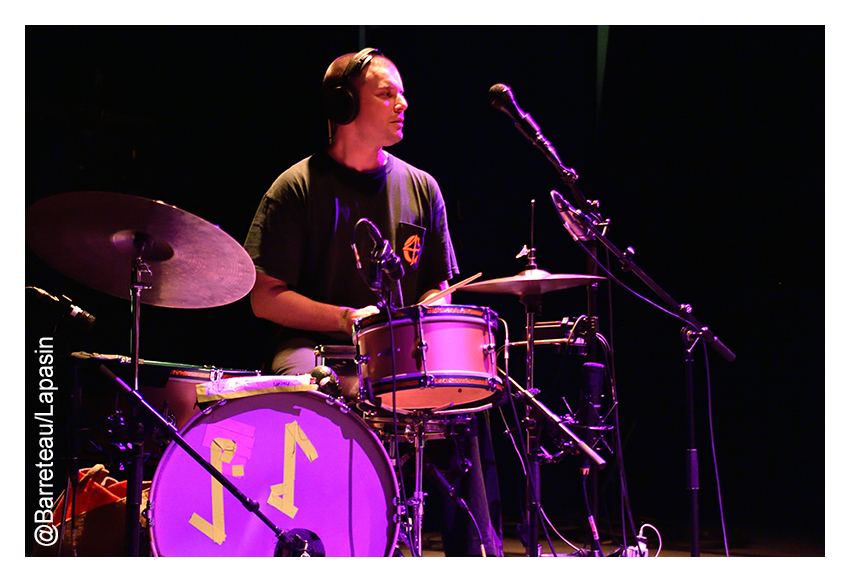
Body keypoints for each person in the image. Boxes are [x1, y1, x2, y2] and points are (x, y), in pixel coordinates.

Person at [244, 48, 502, 556]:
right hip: (314, 345)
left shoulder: (422, 188)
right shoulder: (295, 188)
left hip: (398, 347)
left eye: (402, 93)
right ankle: (316, 544)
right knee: (306, 388)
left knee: (466, 396)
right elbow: (264, 298)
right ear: (344, 106)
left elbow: (437, 285)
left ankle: (476, 556)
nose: (403, 103)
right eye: (386, 93)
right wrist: (343, 319)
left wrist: (427, 310)